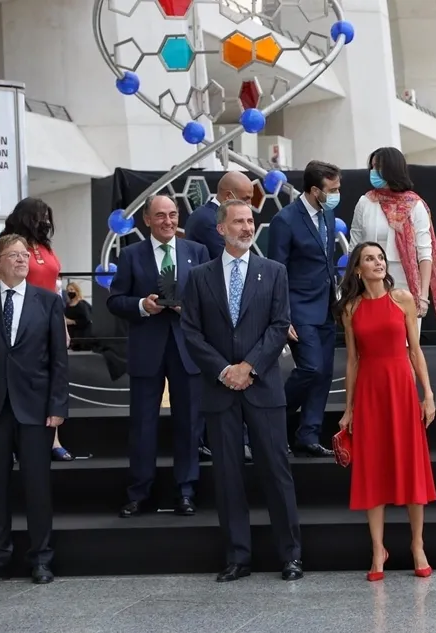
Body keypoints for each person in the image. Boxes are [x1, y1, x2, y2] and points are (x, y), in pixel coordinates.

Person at [180, 199, 303, 583]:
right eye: (238, 222)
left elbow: (279, 324)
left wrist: (248, 367)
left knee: (277, 473)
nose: (247, 227)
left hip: (262, 387)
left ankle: (291, 556)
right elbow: (191, 332)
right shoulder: (199, 276)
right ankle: (238, 557)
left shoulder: (274, 271)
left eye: (250, 221)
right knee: (227, 476)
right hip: (220, 392)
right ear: (221, 229)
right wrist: (223, 371)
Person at [0, 234, 69, 586]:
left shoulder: (48, 301)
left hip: (36, 408)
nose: (21, 260)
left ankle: (42, 559)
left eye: (24, 255)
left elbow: (59, 360)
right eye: (14, 255)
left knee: (37, 487)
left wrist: (58, 405)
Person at [335, 242, 436, 581]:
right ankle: (378, 550)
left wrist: (428, 395)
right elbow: (352, 361)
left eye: (380, 257)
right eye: (370, 259)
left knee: (411, 466)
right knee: (373, 469)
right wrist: (348, 409)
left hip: (402, 391)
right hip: (370, 393)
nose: (378, 263)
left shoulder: (403, 299)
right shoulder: (351, 308)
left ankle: (417, 545)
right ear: (357, 269)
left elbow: (415, 351)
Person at [106, 195, 210, 518]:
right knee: (142, 425)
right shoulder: (130, 255)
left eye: (173, 214)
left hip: (187, 350)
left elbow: (210, 299)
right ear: (147, 220)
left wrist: (188, 308)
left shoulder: (197, 252)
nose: (168, 221)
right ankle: (139, 492)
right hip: (146, 349)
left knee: (189, 424)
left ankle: (186, 491)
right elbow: (115, 300)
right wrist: (142, 305)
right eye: (161, 215)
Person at [0, 197, 76, 461]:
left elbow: (55, 290)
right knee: (16, 381)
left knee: (52, 380)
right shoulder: (1, 248)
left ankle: (53, 438)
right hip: (19, 324)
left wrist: (63, 325)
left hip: (49, 320)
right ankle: (11, 441)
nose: (44, 221)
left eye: (47, 216)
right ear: (25, 217)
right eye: (39, 216)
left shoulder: (45, 247)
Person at [266, 160, 339, 458]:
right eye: (332, 190)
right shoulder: (285, 220)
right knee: (311, 367)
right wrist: (282, 316)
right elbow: (277, 271)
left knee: (324, 373)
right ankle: (270, 420)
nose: (336, 194)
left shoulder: (328, 214)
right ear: (313, 190)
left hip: (326, 307)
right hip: (298, 309)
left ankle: (308, 434)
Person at [182, 170, 255, 461]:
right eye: (245, 198)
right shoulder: (205, 219)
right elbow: (229, 259)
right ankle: (219, 441)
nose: (249, 206)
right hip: (218, 311)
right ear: (227, 196)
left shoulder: (205, 217)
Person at [349, 147, 436, 332]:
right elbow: (354, 246)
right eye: (372, 167)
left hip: (405, 284)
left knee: (404, 342)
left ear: (392, 169)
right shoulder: (365, 202)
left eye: (378, 167)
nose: (373, 172)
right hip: (369, 285)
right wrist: (352, 286)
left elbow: (425, 253)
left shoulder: (415, 205)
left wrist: (422, 296)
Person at [184, 171, 254, 261]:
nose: (249, 203)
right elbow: (232, 256)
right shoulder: (207, 220)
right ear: (228, 196)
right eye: (245, 199)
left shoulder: (212, 214)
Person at [64, 281, 94, 351]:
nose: (70, 292)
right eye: (68, 290)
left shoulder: (82, 304)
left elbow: (86, 319)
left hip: (82, 335)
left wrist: (72, 322)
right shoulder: (68, 305)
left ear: (76, 290)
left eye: (71, 289)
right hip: (72, 336)